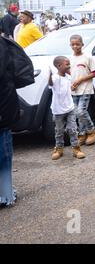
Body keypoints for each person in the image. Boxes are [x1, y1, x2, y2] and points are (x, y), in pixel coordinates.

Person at [0, 36, 34, 207]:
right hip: (4, 106)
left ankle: (5, 195)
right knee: (4, 154)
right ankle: (5, 194)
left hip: (3, 107)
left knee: (4, 154)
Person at [49, 56, 86, 160]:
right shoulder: (54, 78)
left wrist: (72, 88)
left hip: (70, 108)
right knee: (59, 130)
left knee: (73, 129)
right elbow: (51, 84)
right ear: (59, 66)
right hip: (58, 111)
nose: (69, 66)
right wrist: (49, 76)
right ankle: (59, 148)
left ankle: (76, 148)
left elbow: (67, 89)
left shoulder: (68, 77)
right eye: (67, 64)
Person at [69, 35, 95, 146]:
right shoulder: (70, 59)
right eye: (73, 44)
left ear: (82, 44)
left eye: (77, 44)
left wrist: (81, 79)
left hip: (85, 89)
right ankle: (82, 134)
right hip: (74, 89)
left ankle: (92, 131)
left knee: (81, 111)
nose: (75, 46)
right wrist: (71, 84)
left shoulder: (87, 57)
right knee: (77, 113)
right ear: (70, 45)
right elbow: (71, 73)